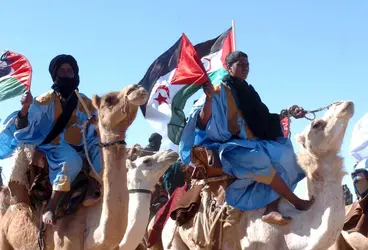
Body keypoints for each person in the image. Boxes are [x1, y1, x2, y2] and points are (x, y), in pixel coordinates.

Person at [179, 51, 314, 225]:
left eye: (247, 65)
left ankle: (271, 209)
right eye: (240, 64)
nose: (245, 68)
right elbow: (203, 122)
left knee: (284, 155)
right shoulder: (218, 89)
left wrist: (288, 113)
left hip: (250, 142)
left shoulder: (248, 91)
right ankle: (295, 201)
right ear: (229, 67)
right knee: (257, 158)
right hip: (226, 146)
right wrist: (209, 98)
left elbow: (263, 119)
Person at [13, 54, 101, 225]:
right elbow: (25, 125)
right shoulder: (44, 101)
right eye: (62, 70)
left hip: (82, 144)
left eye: (70, 70)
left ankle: (93, 185)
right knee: (73, 161)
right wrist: (25, 107)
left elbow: (98, 123)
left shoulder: (86, 102)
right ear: (55, 74)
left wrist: (96, 123)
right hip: (53, 146)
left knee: (104, 149)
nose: (67, 73)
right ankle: (51, 206)